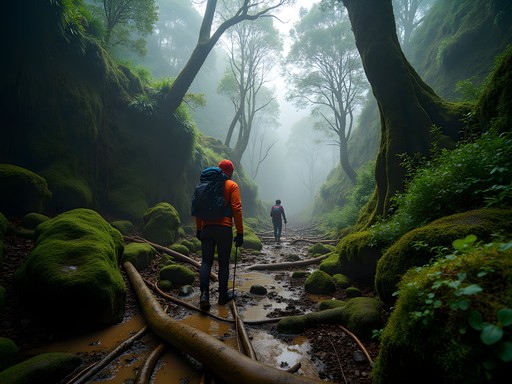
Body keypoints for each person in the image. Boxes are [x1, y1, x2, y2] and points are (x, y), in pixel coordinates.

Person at [195, 159, 244, 310]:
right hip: (224, 230)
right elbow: (236, 208)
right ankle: (223, 296)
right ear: (231, 172)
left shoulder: (206, 185)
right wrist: (240, 232)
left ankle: (204, 295)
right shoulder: (232, 185)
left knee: (205, 262)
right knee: (223, 264)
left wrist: (199, 229)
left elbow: (199, 207)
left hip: (207, 228)